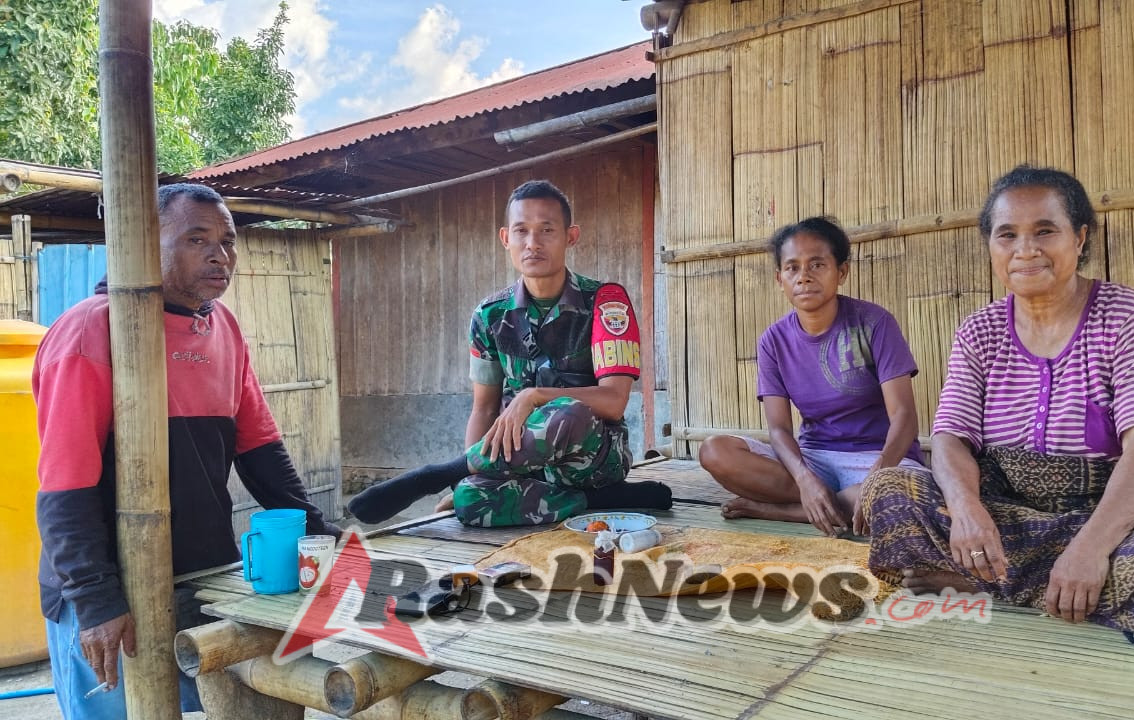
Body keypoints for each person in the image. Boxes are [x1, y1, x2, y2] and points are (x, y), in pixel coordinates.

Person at [862, 165, 1134, 649]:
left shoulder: (1130, 316)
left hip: (1116, 511)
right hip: (1008, 508)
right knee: (890, 491)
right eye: (1007, 235)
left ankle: (996, 578)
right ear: (991, 246)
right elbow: (949, 437)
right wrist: (966, 510)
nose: (1025, 249)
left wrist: (1090, 548)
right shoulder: (978, 330)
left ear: (1080, 237)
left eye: (1045, 231)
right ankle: (1050, 583)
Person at [33, 183, 339, 718]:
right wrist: (96, 599)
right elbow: (66, 482)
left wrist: (317, 529)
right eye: (197, 239)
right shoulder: (90, 330)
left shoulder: (222, 327)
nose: (220, 254)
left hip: (199, 571)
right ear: (142, 243)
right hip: (106, 589)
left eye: (227, 239)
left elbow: (260, 448)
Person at [349, 179, 671, 527]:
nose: (532, 243)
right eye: (521, 231)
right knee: (469, 502)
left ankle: (433, 475)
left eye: (547, 229)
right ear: (506, 238)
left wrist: (534, 396)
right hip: (520, 463)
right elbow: (484, 408)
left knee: (566, 411)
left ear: (570, 236)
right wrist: (464, 483)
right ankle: (595, 502)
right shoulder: (490, 315)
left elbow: (614, 401)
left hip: (594, 457)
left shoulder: (605, 302)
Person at [697, 217, 927, 537]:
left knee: (901, 495)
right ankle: (827, 503)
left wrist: (879, 475)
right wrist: (805, 479)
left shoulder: (874, 323)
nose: (804, 276)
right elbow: (778, 428)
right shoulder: (773, 340)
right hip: (814, 459)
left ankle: (788, 512)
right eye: (792, 268)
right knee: (714, 451)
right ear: (780, 279)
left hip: (880, 459)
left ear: (841, 272)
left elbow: (904, 416)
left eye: (817, 264)